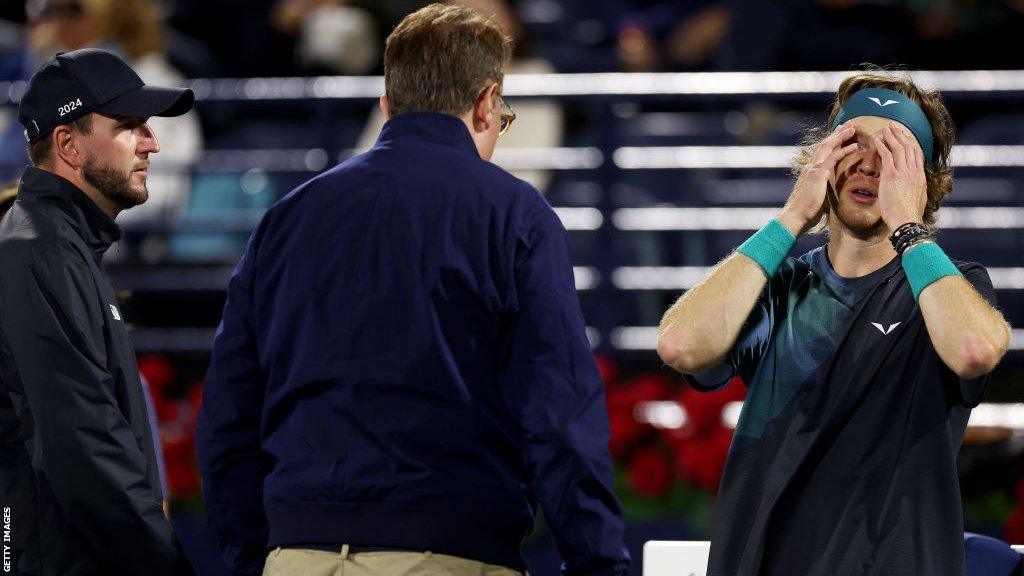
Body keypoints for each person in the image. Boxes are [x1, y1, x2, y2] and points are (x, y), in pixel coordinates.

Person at [196, 4, 630, 576]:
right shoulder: (515, 214)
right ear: (486, 104)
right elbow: (558, 415)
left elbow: (229, 408)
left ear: (387, 106)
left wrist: (256, 552)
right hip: (447, 553)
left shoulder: (287, 217)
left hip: (296, 553)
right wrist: (599, 563)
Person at [657, 72, 1011, 576]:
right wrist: (792, 215)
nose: (868, 164)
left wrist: (908, 227)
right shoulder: (778, 289)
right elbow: (680, 346)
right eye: (853, 144)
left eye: (893, 152)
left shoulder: (953, 289)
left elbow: (974, 349)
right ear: (822, 160)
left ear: (925, 180)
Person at [0, 47, 196, 575]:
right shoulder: (35, 250)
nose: (152, 143)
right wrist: (163, 563)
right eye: (130, 126)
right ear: (68, 144)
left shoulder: (65, 246)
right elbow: (81, 445)